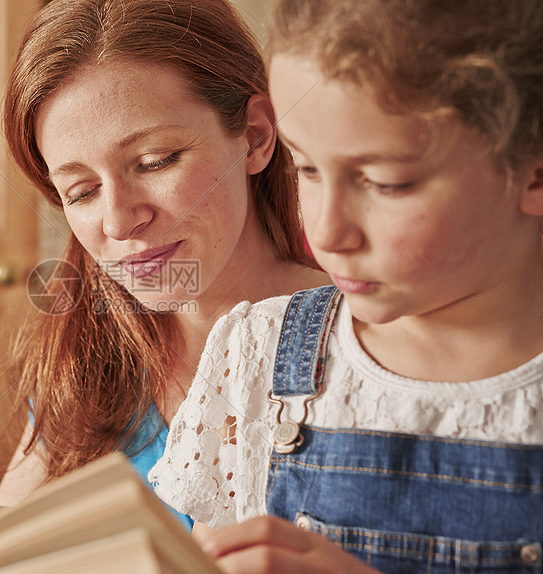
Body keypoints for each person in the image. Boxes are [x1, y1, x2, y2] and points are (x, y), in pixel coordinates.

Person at [0, 0, 327, 571]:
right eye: (79, 192)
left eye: (155, 161)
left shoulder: (364, 345)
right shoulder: (89, 349)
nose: (119, 221)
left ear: (254, 137)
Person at [149, 0, 543, 572]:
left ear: (533, 171)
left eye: (385, 183)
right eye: (306, 168)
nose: (327, 231)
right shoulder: (255, 350)